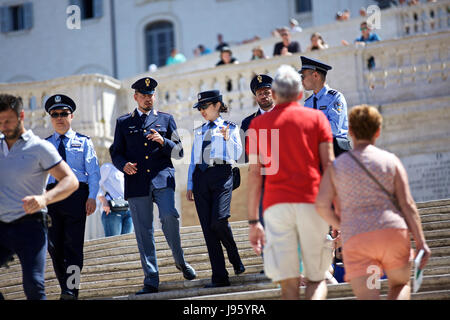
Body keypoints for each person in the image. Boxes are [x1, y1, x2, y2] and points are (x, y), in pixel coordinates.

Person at [315, 105, 431, 300]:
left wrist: (341, 224)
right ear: (378, 131)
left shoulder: (336, 167)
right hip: (392, 232)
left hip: (357, 236)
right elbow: (408, 205)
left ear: (350, 131)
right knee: (400, 284)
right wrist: (421, 242)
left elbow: (321, 206)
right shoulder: (390, 160)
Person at [247, 65, 334, 300]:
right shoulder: (317, 118)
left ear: (274, 95)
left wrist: (254, 220)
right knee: (316, 279)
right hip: (311, 203)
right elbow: (329, 168)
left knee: (288, 285)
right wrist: (337, 211)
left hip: (275, 207)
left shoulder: (256, 126)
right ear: (299, 94)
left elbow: (254, 175)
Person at [110, 77, 196, 295]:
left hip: (162, 179)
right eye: (144, 95)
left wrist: (163, 141)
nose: (149, 98)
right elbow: (116, 152)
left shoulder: (166, 120)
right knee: (143, 231)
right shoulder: (123, 122)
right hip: (137, 182)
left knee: (169, 216)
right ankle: (151, 279)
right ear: (136, 97)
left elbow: (179, 152)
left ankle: (180, 261)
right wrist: (123, 165)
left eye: (151, 94)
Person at [0, 94, 78, 300]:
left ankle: (72, 290)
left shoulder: (42, 147)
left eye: (8, 120)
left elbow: (75, 179)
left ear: (21, 116)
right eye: (55, 114)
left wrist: (44, 199)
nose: (4, 126)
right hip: (2, 223)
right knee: (58, 251)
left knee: (71, 253)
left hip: (41, 218)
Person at [186, 90, 245, 288]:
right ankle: (220, 277)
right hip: (201, 178)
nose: (202, 111)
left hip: (222, 175)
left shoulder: (230, 127)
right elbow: (194, 159)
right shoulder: (199, 130)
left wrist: (228, 138)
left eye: (205, 107)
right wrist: (190, 184)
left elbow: (237, 155)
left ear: (217, 105)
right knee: (208, 230)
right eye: (199, 108)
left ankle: (234, 256)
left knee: (219, 221)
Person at [44, 94, 101, 300]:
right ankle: (65, 288)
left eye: (64, 113)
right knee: (54, 247)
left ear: (71, 116)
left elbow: (93, 172)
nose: (59, 117)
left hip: (77, 195)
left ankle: (72, 289)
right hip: (52, 197)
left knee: (74, 246)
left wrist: (92, 196)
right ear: (51, 118)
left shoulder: (83, 142)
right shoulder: (45, 145)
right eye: (55, 114)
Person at [300, 56, 351, 157]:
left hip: (335, 150)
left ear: (315, 75)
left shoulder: (335, 98)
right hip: (315, 151)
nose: (301, 80)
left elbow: (334, 128)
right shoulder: (308, 103)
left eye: (303, 76)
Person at [98, 156, 133, 237]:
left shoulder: (127, 170)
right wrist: (103, 201)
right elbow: (95, 184)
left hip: (129, 210)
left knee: (127, 244)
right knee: (114, 244)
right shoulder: (108, 167)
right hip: (113, 211)